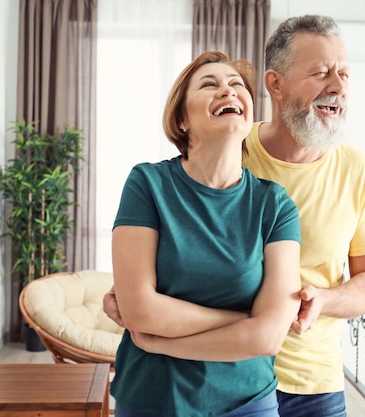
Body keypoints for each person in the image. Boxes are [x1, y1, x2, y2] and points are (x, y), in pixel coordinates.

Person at [109, 50, 302, 417]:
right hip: (153, 399)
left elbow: (268, 337)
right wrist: (246, 319)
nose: (228, 91)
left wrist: (161, 342)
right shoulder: (148, 184)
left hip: (248, 403)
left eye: (236, 85)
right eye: (210, 84)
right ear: (182, 119)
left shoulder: (275, 205)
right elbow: (139, 311)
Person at [241, 15, 365, 417]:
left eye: (343, 73)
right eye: (321, 72)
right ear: (275, 85)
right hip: (234, 376)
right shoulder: (232, 154)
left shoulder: (357, 169)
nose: (338, 87)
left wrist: (324, 299)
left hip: (315, 386)